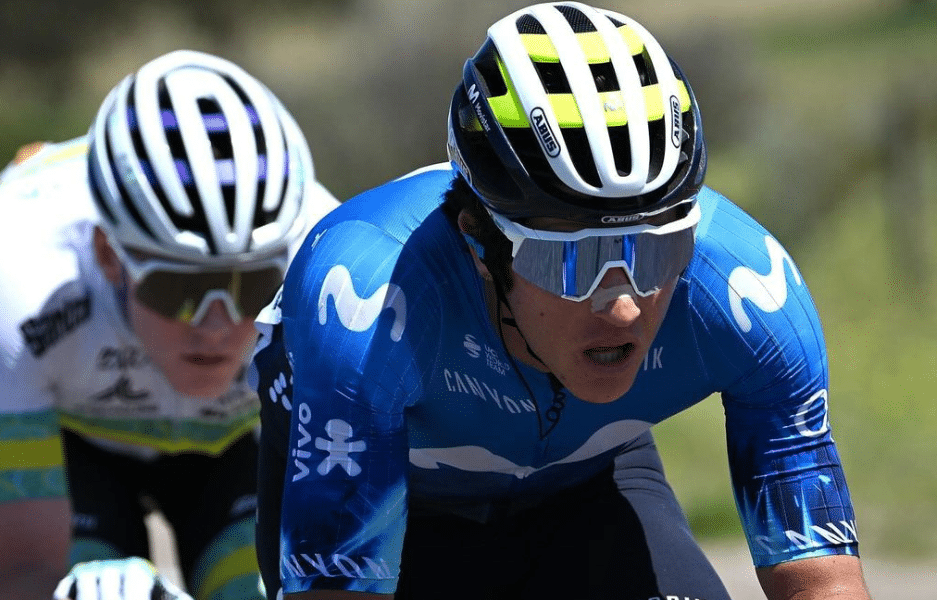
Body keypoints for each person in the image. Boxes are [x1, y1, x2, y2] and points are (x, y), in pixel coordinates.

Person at [249, 3, 873, 599]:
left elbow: (824, 582)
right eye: (569, 261)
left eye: (658, 250)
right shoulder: (366, 300)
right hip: (401, 506)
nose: (624, 307)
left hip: (585, 489)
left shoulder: (746, 292)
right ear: (479, 241)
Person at [0, 49, 338, 600]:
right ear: (108, 255)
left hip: (236, 446)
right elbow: (17, 574)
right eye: (178, 288)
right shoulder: (9, 268)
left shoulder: (330, 264)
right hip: (77, 446)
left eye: (252, 287)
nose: (216, 326)